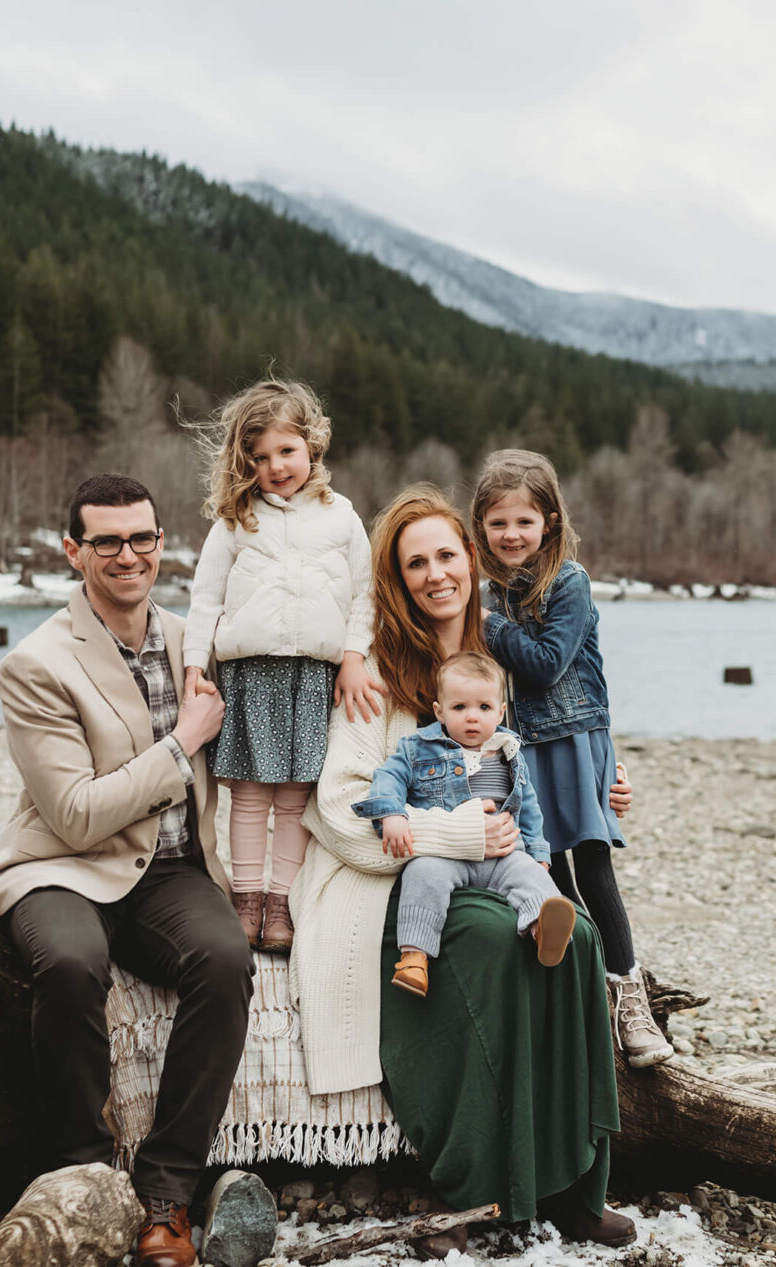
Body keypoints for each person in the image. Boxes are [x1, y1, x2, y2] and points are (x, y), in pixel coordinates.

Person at [289, 485, 636, 1257]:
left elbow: (562, 739)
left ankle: (579, 1185)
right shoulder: (377, 665)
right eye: (417, 562)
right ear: (396, 575)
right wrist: (456, 832)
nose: (435, 573)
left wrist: (610, 774)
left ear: (471, 559)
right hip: (397, 880)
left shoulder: (503, 655)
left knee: (575, 933)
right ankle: (493, 1180)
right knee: (491, 939)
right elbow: (340, 807)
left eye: (447, 554)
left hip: (497, 863)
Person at [0, 473, 251, 1267]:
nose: (129, 555)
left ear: (162, 543)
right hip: (60, 866)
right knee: (68, 961)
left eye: (143, 539)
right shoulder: (36, 663)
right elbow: (77, 815)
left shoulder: (194, 640)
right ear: (73, 550)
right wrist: (181, 741)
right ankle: (81, 1173)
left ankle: (167, 1195)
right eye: (108, 542)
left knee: (226, 960)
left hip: (166, 871)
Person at [471, 449, 674, 1068]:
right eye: (499, 523)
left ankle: (631, 999)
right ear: (480, 526)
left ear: (550, 522)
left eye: (524, 522)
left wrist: (490, 626)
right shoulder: (484, 591)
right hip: (518, 749)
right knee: (545, 876)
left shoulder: (570, 582)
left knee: (592, 869)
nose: (512, 535)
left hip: (574, 740)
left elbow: (546, 663)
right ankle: (586, 992)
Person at [184, 378, 379, 954]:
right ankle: (246, 901)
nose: (276, 466)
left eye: (286, 451)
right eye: (260, 457)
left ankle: (281, 904)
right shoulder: (234, 519)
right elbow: (205, 598)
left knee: (296, 794)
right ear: (245, 462)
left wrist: (353, 657)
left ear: (312, 446)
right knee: (248, 793)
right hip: (250, 672)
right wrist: (197, 664)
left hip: (313, 675)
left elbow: (364, 596)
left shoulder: (342, 517)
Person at [353, 650, 575, 996]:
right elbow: (389, 777)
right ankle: (414, 957)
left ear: (501, 711)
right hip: (446, 855)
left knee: (531, 877)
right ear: (439, 712)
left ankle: (542, 930)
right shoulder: (419, 748)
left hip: (503, 854)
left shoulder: (509, 753)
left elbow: (529, 807)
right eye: (460, 708)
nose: (472, 718)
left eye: (484, 708)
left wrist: (537, 851)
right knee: (422, 875)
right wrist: (392, 813)